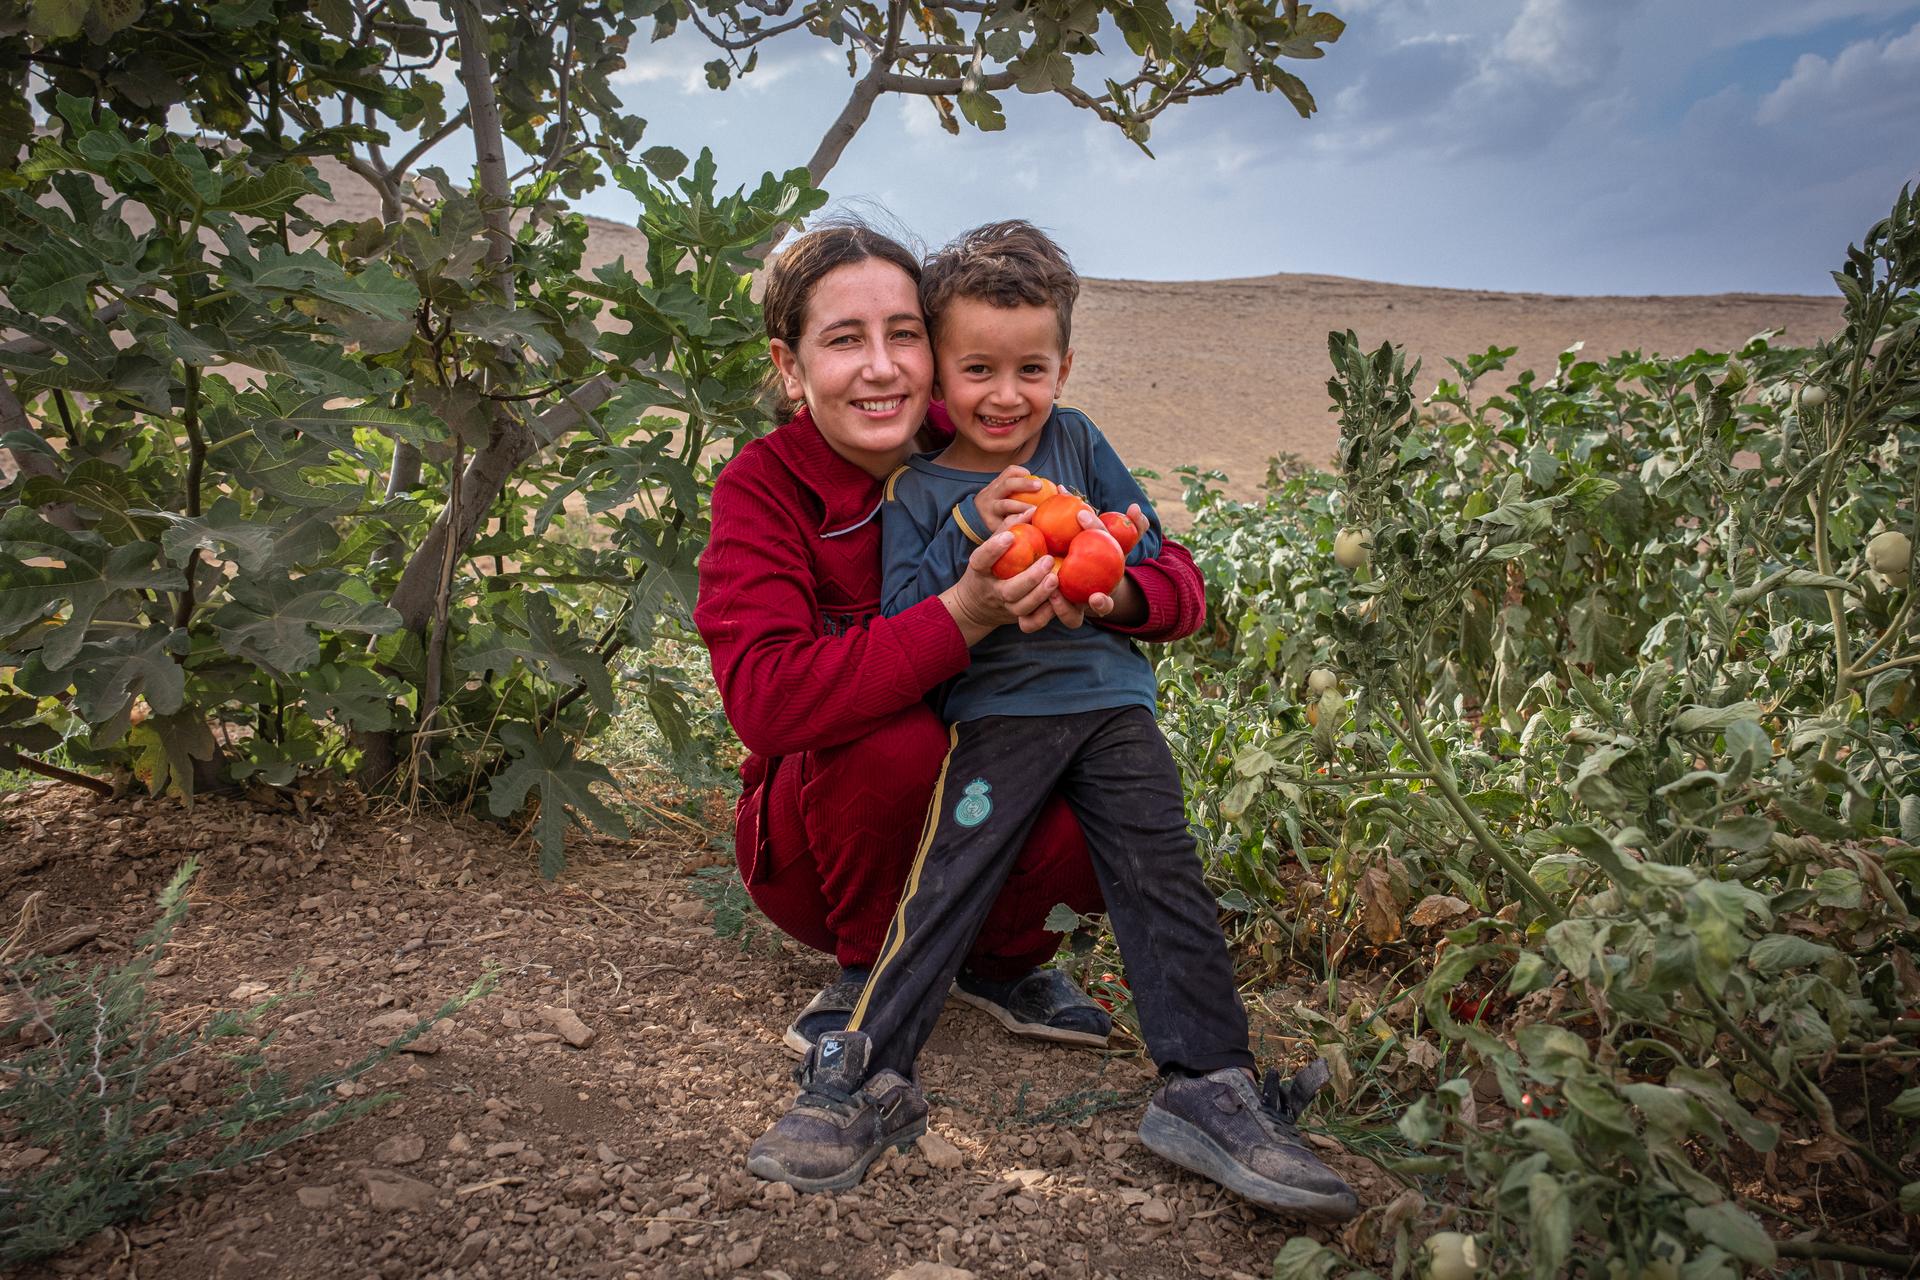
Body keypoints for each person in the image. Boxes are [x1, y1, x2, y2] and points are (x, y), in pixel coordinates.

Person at [744, 221, 1359, 1221]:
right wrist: (971, 553)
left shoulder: (1076, 442)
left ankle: (1213, 1086)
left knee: (1166, 874)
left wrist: (1105, 575)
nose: (1005, 393)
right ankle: (862, 1077)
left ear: (1063, 365)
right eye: (977, 367)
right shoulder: (926, 487)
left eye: (1031, 367)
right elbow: (908, 603)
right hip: (1001, 717)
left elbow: (1151, 550)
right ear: (945, 369)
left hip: (1115, 709)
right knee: (946, 878)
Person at [693, 223, 1213, 1056]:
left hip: (992, 783)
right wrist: (964, 614)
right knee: (892, 734)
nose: (881, 366)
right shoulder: (764, 488)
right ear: (790, 369)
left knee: (1094, 751)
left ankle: (1003, 964)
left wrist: (1109, 596)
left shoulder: (993, 428)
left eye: (903, 335)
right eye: (843, 341)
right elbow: (770, 701)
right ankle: (869, 966)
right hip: (821, 854)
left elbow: (1176, 580)